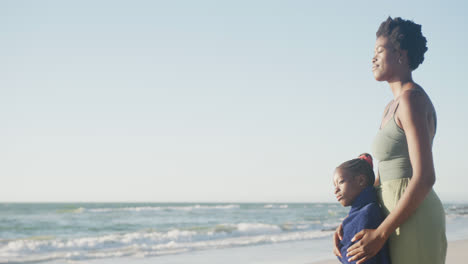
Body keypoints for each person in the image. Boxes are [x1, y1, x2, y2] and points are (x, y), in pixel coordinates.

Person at [334, 17, 447, 264]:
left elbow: (425, 177)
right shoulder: (390, 108)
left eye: (379, 51)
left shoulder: (411, 101)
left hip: (412, 219)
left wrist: (382, 232)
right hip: (392, 218)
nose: (372, 58)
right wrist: (351, 221)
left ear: (401, 54)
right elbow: (383, 178)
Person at [333, 153, 391, 264]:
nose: (335, 190)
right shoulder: (363, 212)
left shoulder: (366, 215)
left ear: (361, 180)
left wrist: (340, 250)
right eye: (334, 185)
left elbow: (354, 258)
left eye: (340, 182)